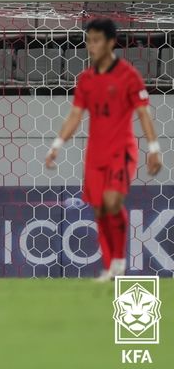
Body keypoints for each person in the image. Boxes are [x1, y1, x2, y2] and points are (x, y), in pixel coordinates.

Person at [45, 18, 162, 281]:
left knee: (112, 201)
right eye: (88, 41)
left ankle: (120, 261)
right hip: (95, 154)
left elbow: (143, 113)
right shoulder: (85, 79)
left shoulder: (128, 75)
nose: (91, 46)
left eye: (97, 40)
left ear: (111, 42)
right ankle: (111, 268)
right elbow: (75, 115)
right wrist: (56, 146)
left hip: (122, 150)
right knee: (99, 209)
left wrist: (154, 148)